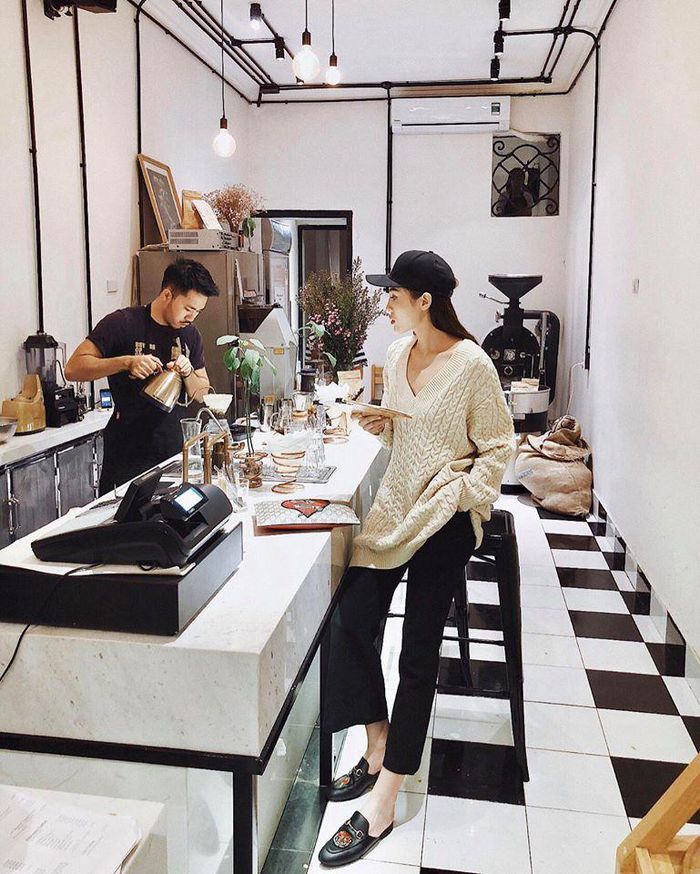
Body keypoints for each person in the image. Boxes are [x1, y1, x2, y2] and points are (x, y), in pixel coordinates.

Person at [318, 250, 515, 867]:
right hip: (399, 505)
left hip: (448, 514)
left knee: (417, 651)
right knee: (350, 618)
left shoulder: (473, 364)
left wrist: (465, 493)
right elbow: (409, 434)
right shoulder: (400, 352)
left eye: (394, 295)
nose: (386, 305)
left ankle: (387, 795)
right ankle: (377, 742)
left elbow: (499, 446)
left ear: (424, 301)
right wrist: (380, 425)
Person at [65, 258, 218, 495]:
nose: (192, 317)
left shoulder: (190, 334)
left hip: (173, 451)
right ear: (167, 295)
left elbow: (202, 393)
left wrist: (188, 372)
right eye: (188, 309)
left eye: (198, 311)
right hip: (127, 453)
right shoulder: (123, 323)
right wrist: (125, 362)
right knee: (126, 517)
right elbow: (73, 369)